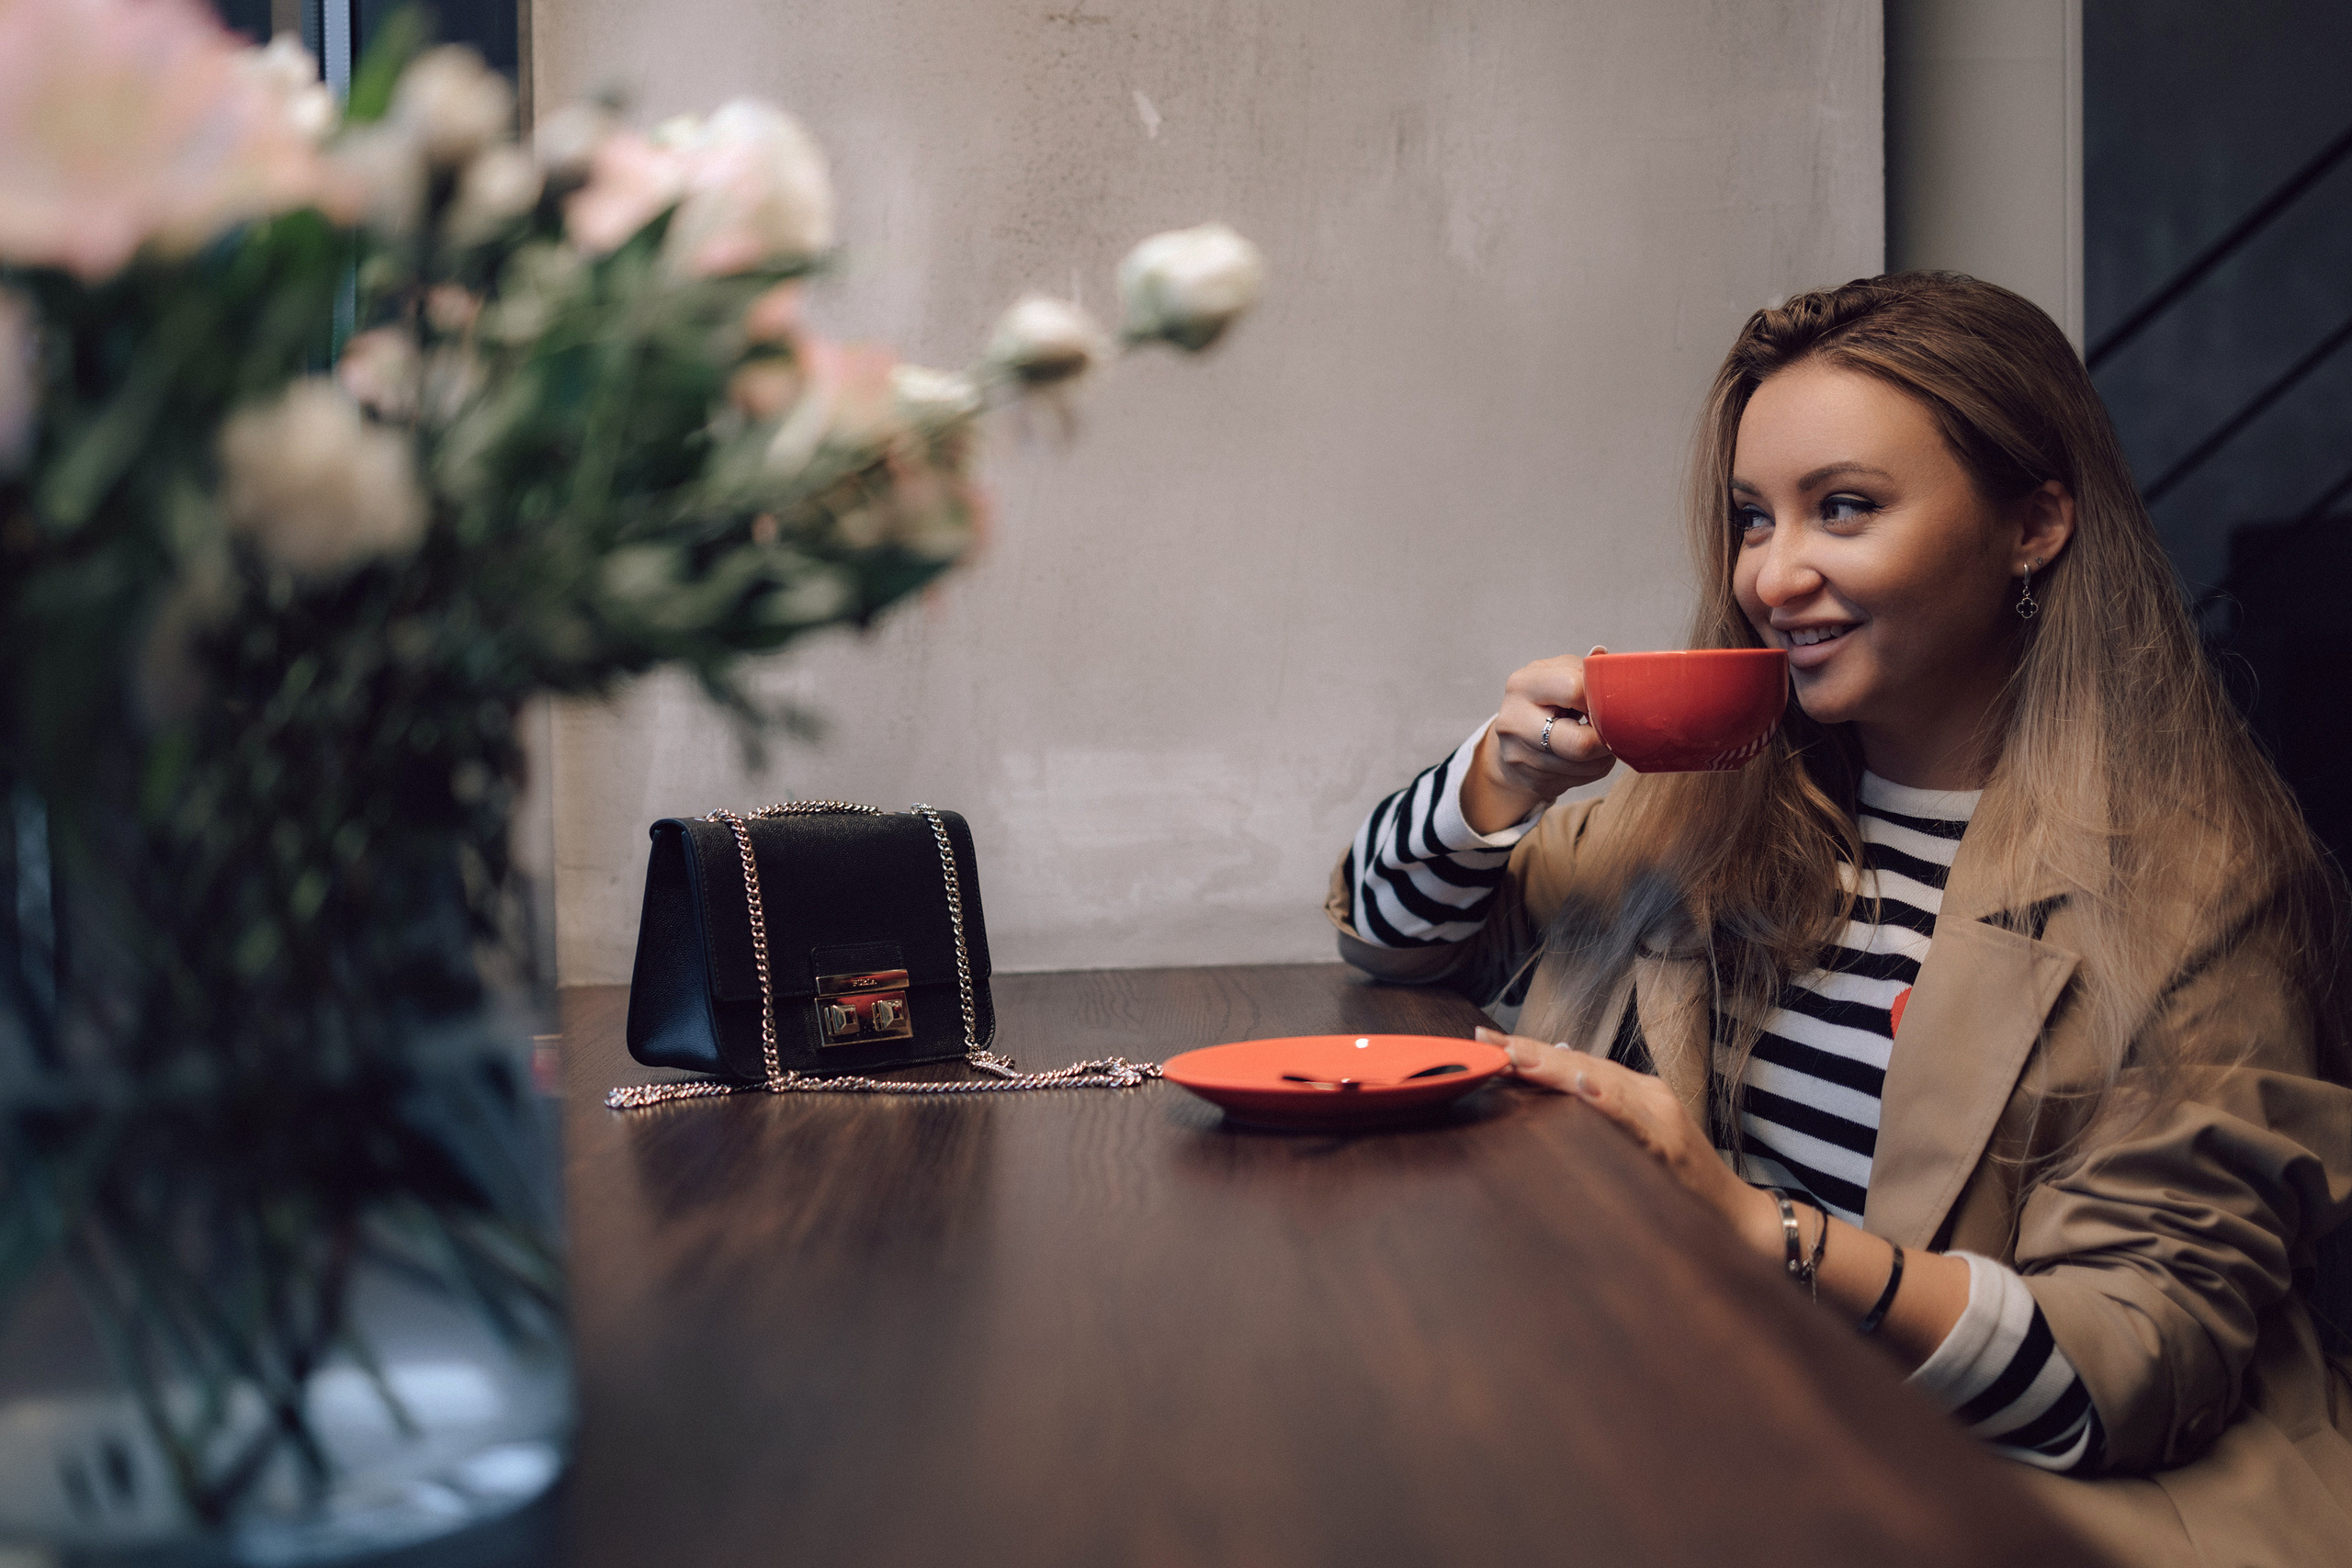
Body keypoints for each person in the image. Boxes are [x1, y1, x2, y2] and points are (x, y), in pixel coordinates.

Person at [1327, 272, 2352, 1565]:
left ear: (2035, 523)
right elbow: (1393, 938)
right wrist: (1495, 782)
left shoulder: (2203, 887)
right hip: (1726, 1432)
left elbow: (2137, 1366)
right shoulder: (1716, 809)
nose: (1771, 573)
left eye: (1845, 509)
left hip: (2011, 1502)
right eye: (1752, 518)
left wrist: (1764, 1234)